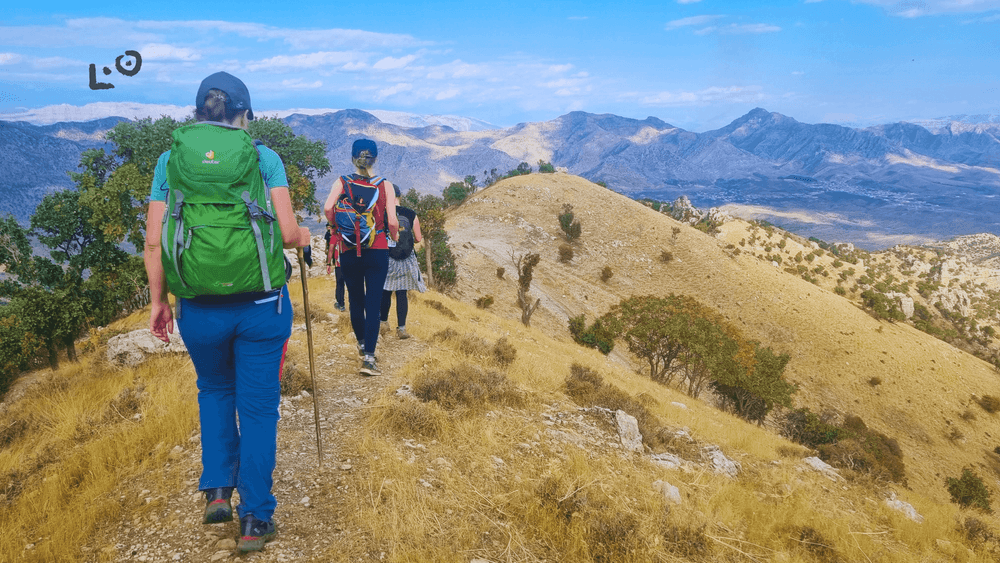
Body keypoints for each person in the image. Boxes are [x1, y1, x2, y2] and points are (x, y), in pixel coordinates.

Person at [143, 71, 311, 554]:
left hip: (197, 307)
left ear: (198, 114)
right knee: (258, 410)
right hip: (261, 306)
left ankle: (218, 488)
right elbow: (286, 230)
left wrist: (159, 302)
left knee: (214, 389)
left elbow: (154, 240)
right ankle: (256, 519)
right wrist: (306, 235)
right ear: (244, 114)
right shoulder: (263, 157)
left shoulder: (169, 159)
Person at [323, 139, 398, 376]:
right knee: (374, 303)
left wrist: (335, 228)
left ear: (352, 158)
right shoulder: (385, 185)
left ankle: (362, 343)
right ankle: (369, 358)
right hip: (377, 249)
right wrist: (392, 238)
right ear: (375, 159)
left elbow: (327, 208)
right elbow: (393, 222)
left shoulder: (342, 182)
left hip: (348, 249)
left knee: (355, 299)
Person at [381, 185, 426, 339]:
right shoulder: (411, 213)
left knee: (385, 290)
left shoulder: (382, 213)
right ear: (400, 196)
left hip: (387, 258)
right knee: (402, 293)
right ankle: (401, 329)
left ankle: (383, 323)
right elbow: (419, 238)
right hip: (406, 259)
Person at [323, 222, 347, 311]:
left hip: (339, 264)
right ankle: (355, 305)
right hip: (351, 264)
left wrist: (328, 263)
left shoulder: (335, 237)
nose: (330, 230)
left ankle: (341, 305)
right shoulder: (347, 235)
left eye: (331, 228)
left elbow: (331, 250)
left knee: (340, 284)